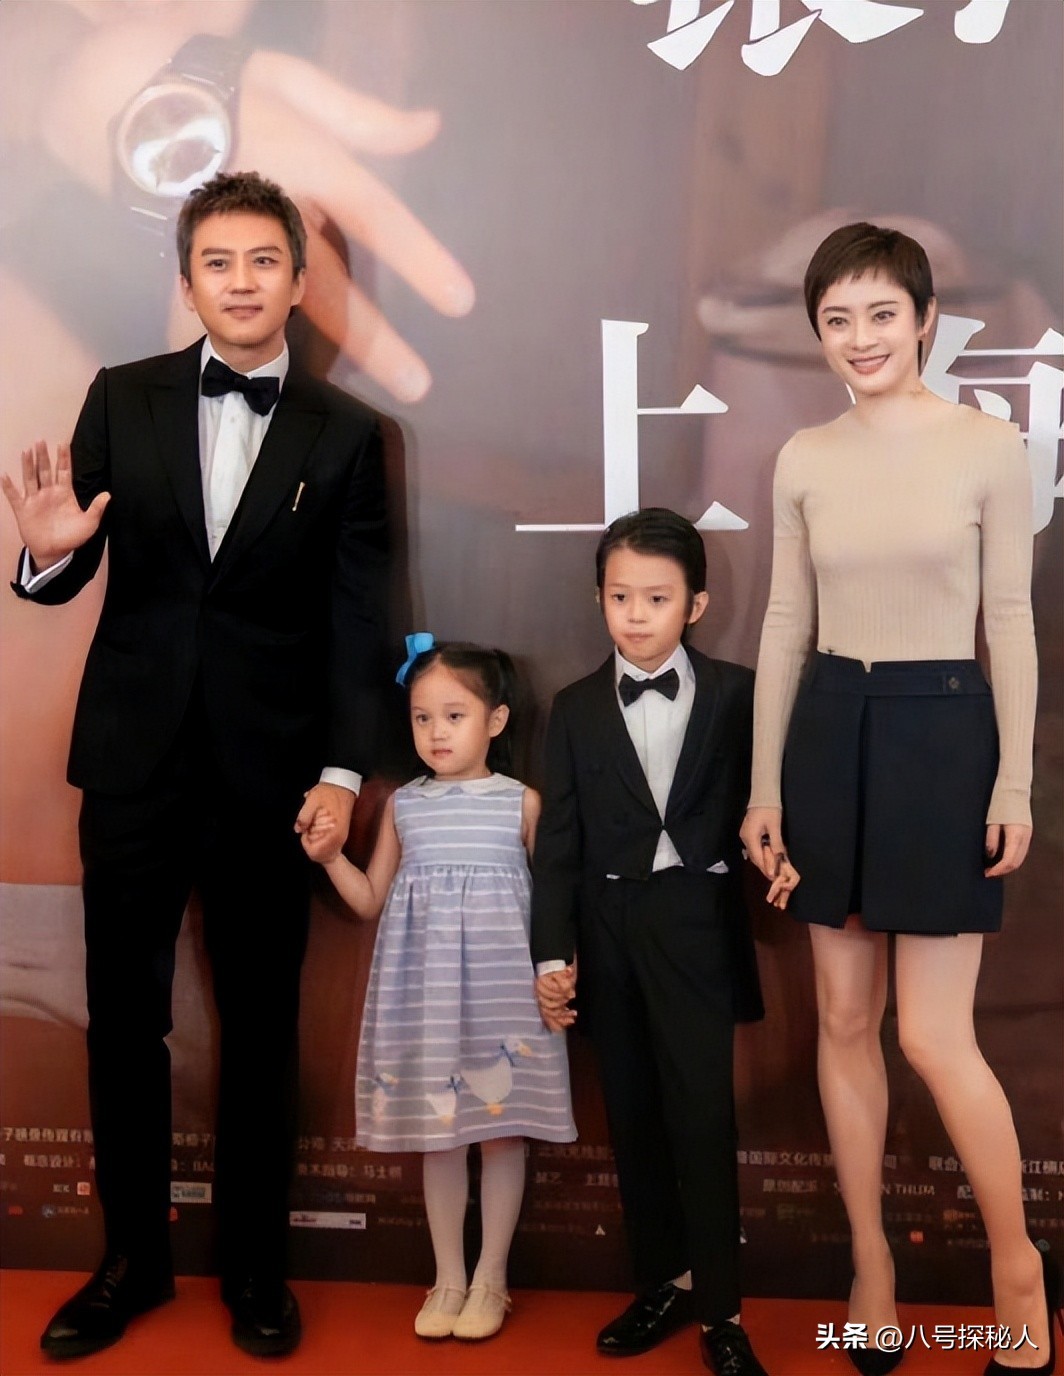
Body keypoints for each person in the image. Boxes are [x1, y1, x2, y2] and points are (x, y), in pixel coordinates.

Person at [2, 170, 388, 1359]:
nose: (240, 281)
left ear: (299, 280)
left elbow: (359, 619)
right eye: (217, 261)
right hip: (134, 764)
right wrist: (44, 556)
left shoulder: (349, 433)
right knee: (123, 1021)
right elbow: (70, 557)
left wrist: (341, 774)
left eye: (263, 260)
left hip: (272, 776)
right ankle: (130, 1262)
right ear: (186, 281)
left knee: (261, 1027)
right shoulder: (122, 397)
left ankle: (256, 1270)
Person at [740, 222, 1056, 1376]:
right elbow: (784, 624)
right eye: (835, 318)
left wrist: (1012, 778)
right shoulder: (802, 456)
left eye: (880, 313)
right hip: (829, 727)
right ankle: (868, 1266)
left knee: (928, 1032)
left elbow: (1007, 621)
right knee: (839, 1019)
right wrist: (764, 784)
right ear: (816, 332)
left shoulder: (987, 444)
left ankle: (1015, 1270)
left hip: (941, 732)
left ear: (923, 319)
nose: (859, 337)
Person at [530, 509, 769, 1376]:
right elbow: (557, 844)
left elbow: (774, 801)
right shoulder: (573, 707)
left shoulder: (740, 694)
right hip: (609, 930)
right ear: (599, 598)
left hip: (698, 924)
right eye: (620, 596)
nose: (636, 614)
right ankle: (664, 1282)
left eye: (657, 598)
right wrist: (552, 954)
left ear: (696, 605)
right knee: (631, 1118)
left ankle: (723, 1312)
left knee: (703, 1118)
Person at [304, 637, 576, 1342]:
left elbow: (556, 902)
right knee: (441, 1137)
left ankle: (492, 1278)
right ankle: (448, 1277)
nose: (436, 733)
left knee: (503, 1133)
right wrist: (331, 859)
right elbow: (369, 898)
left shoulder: (522, 804)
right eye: (422, 718)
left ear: (496, 720)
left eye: (454, 716)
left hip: (504, 996)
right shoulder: (405, 806)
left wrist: (561, 968)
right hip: (427, 999)